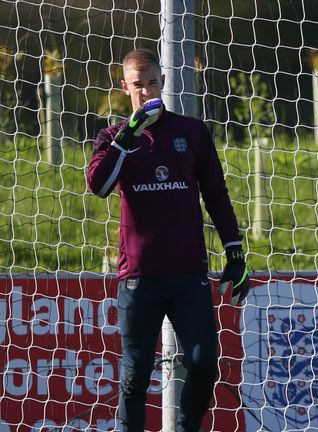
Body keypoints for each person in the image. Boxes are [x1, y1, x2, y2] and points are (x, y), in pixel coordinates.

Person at [86, 48, 250, 431]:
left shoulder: (190, 132)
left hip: (188, 275)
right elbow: (99, 186)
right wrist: (128, 136)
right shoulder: (112, 137)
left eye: (153, 83)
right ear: (125, 87)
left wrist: (235, 252)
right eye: (138, 85)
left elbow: (216, 193)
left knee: (204, 361)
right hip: (139, 277)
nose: (147, 92)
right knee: (135, 375)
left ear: (163, 82)